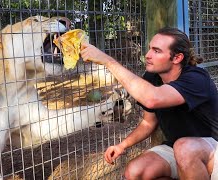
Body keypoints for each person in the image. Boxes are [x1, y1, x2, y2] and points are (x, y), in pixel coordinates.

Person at [80, 27, 218, 179]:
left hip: (213, 148)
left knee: (184, 148)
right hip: (178, 148)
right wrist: (122, 145)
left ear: (177, 58)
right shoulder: (152, 77)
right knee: (135, 171)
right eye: (149, 49)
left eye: (156, 51)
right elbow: (148, 123)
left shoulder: (196, 78)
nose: (147, 55)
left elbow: (153, 99)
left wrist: (107, 60)